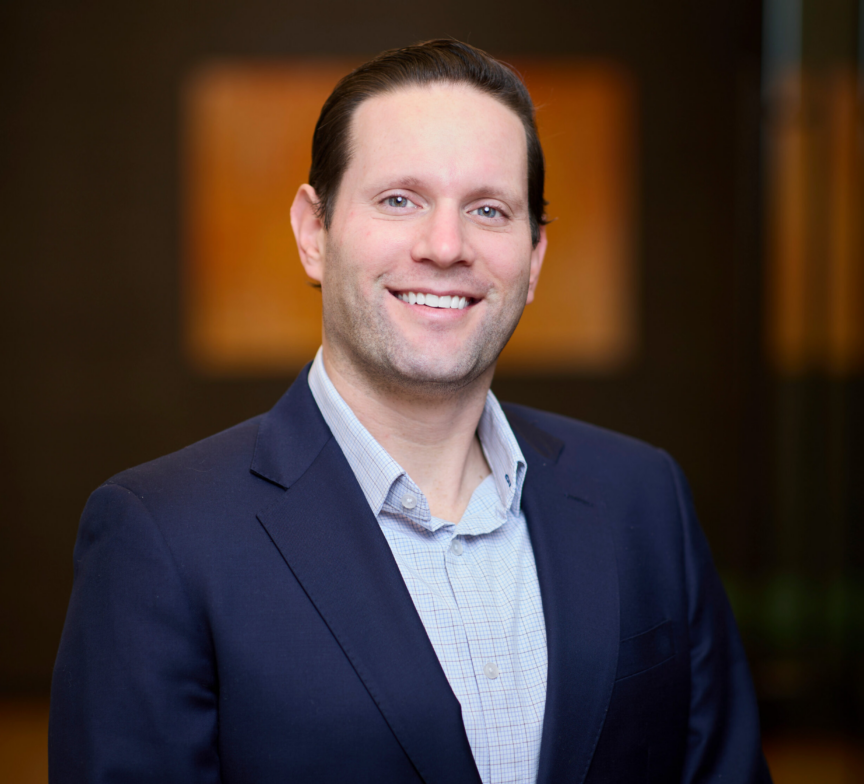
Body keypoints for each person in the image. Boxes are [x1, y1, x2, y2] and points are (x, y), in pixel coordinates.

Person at [49, 39, 771, 783]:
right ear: (313, 232)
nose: (446, 245)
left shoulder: (643, 499)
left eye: (489, 209)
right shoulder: (161, 537)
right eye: (400, 199)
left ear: (534, 259)